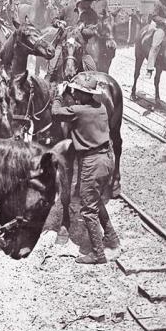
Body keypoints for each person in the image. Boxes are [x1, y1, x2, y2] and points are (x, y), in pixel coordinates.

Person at [52, 74, 120, 264]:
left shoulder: (79, 110)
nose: (73, 94)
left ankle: (98, 254)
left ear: (83, 94)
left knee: (88, 209)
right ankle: (112, 238)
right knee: (96, 200)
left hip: (92, 162)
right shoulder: (101, 108)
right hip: (107, 159)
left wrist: (59, 95)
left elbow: (56, 113)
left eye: (76, 92)